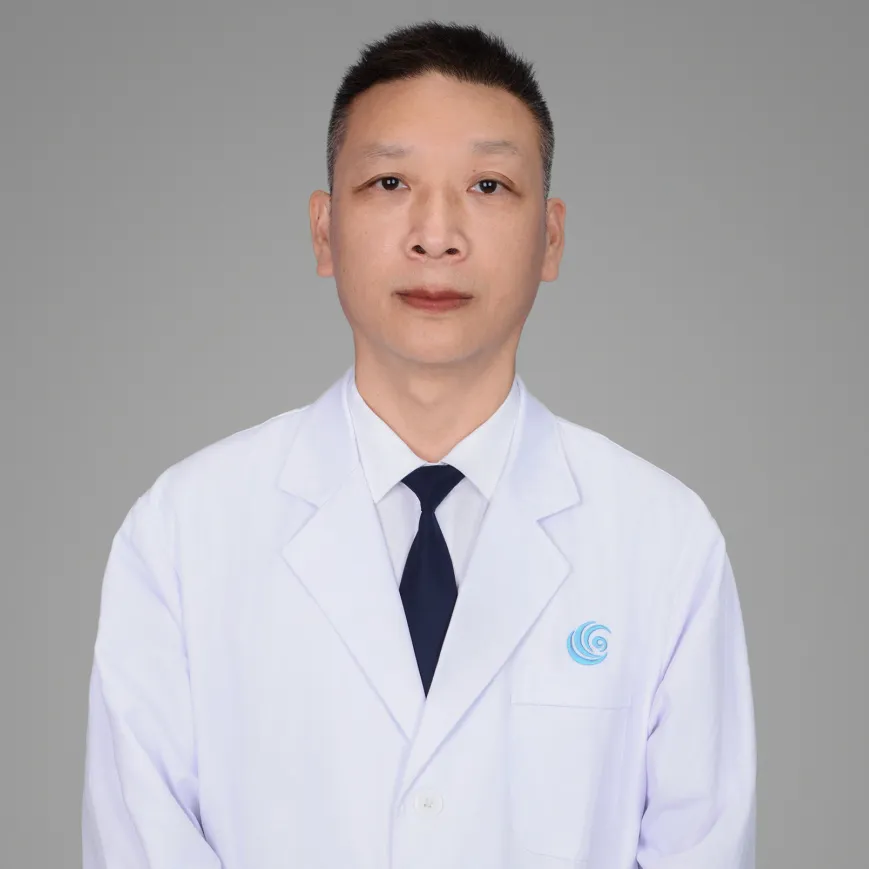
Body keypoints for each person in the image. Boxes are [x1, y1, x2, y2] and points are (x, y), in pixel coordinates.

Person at [81, 20, 756, 869]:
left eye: (487, 184)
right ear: (323, 230)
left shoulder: (661, 540)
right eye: (390, 181)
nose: (436, 234)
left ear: (550, 239)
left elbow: (700, 846)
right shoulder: (184, 531)